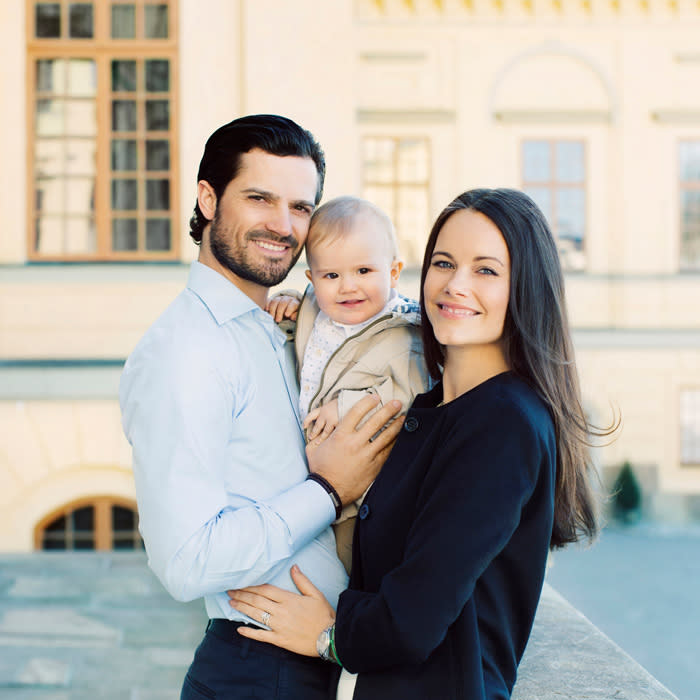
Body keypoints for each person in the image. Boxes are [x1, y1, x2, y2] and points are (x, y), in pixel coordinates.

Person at [227, 188, 616, 699]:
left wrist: (329, 636)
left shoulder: (504, 422)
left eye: (486, 270)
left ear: (526, 288)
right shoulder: (428, 407)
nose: (456, 285)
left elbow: (412, 617)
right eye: (444, 262)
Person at [119, 114, 404, 700]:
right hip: (257, 669)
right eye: (259, 198)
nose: (283, 225)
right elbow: (185, 561)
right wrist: (326, 491)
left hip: (312, 659)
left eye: (301, 207)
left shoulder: (284, 326)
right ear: (207, 198)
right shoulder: (187, 351)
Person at [267, 195, 430, 573]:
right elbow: (306, 351)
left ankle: (356, 622)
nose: (348, 287)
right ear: (312, 280)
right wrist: (291, 306)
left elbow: (409, 394)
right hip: (313, 478)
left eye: (363, 271)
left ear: (393, 273)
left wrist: (345, 405)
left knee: (359, 563)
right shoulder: (317, 312)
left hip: (367, 486)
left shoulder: (405, 336)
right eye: (331, 276)